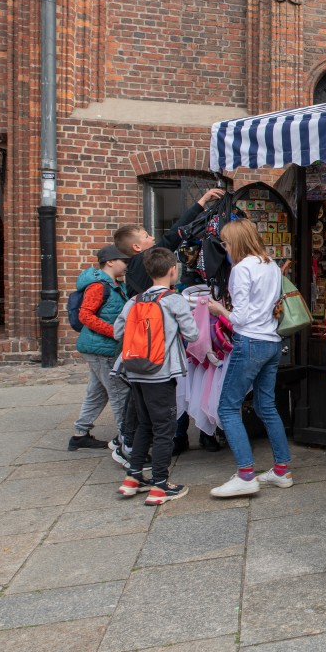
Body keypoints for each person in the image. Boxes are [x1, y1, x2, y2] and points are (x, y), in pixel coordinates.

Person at [113, 185, 224, 461]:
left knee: (138, 390)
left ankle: (130, 440)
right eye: (147, 236)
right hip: (154, 343)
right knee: (145, 395)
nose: (154, 238)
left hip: (140, 342)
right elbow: (175, 233)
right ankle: (129, 441)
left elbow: (118, 328)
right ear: (138, 247)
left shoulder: (136, 270)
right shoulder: (147, 261)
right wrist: (200, 204)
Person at [207, 219, 293, 498]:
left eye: (226, 242)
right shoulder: (269, 265)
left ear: (236, 243)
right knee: (266, 406)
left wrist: (219, 309)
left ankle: (245, 474)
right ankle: (282, 469)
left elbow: (240, 317)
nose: (225, 247)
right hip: (271, 342)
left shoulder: (241, 269)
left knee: (228, 409)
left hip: (250, 341)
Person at [114, 247, 199, 505]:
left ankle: (134, 477)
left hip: (135, 372)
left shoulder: (134, 301)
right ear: (173, 270)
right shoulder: (174, 300)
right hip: (161, 373)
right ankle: (161, 485)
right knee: (165, 429)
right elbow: (193, 334)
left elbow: (119, 332)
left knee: (144, 424)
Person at [69, 245, 131, 452]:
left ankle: (80, 434)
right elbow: (85, 315)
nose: (126, 266)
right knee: (118, 392)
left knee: (97, 392)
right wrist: (114, 331)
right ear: (110, 261)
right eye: (124, 261)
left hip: (101, 346)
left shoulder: (113, 284)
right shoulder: (98, 286)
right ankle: (126, 441)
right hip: (101, 348)